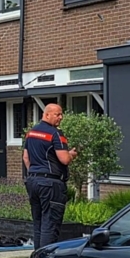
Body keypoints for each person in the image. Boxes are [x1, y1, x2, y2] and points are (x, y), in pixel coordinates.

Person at [23, 103, 76, 249]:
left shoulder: (31, 133)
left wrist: (36, 174)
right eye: (57, 114)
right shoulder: (56, 134)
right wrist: (71, 154)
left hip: (33, 181)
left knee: (38, 223)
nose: (61, 117)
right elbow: (64, 159)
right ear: (46, 115)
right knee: (50, 225)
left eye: (61, 114)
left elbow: (26, 158)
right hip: (51, 184)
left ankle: (37, 257)